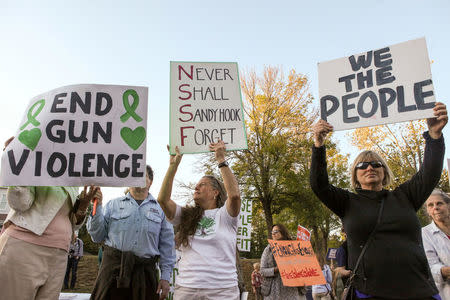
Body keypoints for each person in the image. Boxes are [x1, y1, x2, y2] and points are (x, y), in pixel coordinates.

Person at [310, 102, 447, 299]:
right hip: (371, 292)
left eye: (376, 164)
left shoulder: (405, 196)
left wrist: (434, 136)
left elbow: (430, 173)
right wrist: (318, 144)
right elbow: (319, 185)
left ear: (384, 172)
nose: (369, 167)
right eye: (362, 165)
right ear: (355, 175)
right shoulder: (347, 202)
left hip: (418, 290)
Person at [157, 141, 241, 299]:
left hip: (222, 290)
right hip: (188, 288)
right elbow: (162, 199)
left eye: (202, 185)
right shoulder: (186, 215)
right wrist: (172, 166)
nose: (196, 188)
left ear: (215, 192)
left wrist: (221, 160)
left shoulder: (226, 215)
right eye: (196, 186)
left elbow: (235, 195)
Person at [87, 165, 175, 300]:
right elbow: (96, 236)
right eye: (134, 174)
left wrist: (165, 278)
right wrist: (97, 206)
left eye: (142, 174)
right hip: (112, 274)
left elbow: (167, 246)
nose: (138, 177)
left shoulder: (161, 210)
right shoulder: (112, 205)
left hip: (145, 275)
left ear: (150, 181)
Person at [260, 224, 306, 300]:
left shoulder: (295, 248)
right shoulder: (268, 250)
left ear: (283, 232)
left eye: (275, 231)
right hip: (273, 291)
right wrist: (276, 269)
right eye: (272, 232)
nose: (273, 234)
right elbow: (262, 271)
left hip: (291, 290)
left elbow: (303, 268)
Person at [422, 189, 450, 299]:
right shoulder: (424, 234)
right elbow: (430, 267)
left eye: (439, 203)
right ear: (428, 211)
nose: (435, 208)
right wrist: (444, 271)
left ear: (448, 206)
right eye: (430, 205)